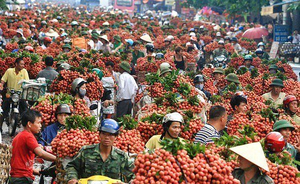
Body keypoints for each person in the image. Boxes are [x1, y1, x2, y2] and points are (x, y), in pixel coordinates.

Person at [66, 119, 134, 184]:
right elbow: (72, 166)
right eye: (104, 134)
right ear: (99, 134)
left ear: (116, 137)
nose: (107, 137)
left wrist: (131, 182)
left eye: (110, 135)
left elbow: (135, 172)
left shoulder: (121, 156)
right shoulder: (86, 152)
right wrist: (73, 178)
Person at [10, 109, 56, 184]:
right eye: (38, 123)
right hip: (22, 179)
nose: (40, 126)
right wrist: (57, 159)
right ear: (29, 124)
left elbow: (20, 161)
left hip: (17, 177)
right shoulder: (28, 136)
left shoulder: (20, 135)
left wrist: (33, 170)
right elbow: (41, 153)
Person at [0, 57, 29, 132]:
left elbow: (27, 82)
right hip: (9, 95)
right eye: (21, 64)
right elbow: (3, 80)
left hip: (20, 95)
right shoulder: (9, 71)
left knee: (26, 110)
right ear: (16, 64)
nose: (23, 66)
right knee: (2, 111)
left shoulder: (24, 72)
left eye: (23, 64)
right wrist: (1, 85)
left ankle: (26, 128)